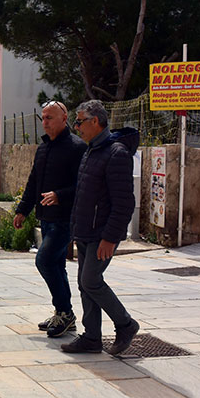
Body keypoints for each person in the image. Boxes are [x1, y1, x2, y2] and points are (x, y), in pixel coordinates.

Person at [61, 100, 140, 355]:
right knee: (85, 285)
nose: (76, 127)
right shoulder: (91, 151)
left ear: (95, 121)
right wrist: (75, 230)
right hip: (85, 232)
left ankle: (125, 324)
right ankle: (92, 338)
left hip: (101, 234)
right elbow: (85, 194)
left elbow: (125, 203)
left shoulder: (116, 153)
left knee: (91, 280)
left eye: (80, 121)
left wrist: (110, 238)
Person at [14, 101, 87, 337]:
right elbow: (34, 181)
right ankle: (63, 315)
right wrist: (22, 209)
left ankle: (65, 312)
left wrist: (60, 196)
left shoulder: (77, 147)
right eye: (43, 118)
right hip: (45, 218)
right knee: (57, 265)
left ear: (64, 119)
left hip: (65, 219)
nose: (45, 122)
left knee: (44, 261)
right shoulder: (43, 149)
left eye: (50, 118)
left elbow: (84, 185)